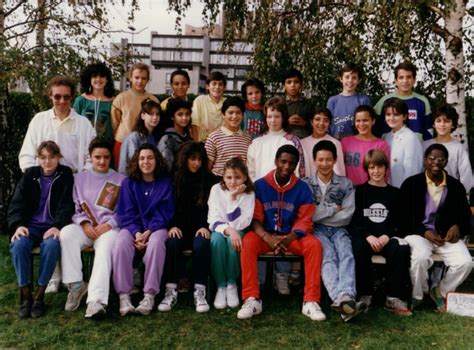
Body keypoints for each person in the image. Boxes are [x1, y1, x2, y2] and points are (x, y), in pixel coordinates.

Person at [238, 145, 325, 321]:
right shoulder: (260, 185)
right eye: (283, 161)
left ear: (296, 165)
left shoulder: (302, 188)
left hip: (291, 237)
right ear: (276, 161)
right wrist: (266, 237)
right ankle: (251, 298)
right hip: (266, 236)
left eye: (291, 163)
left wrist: (290, 238)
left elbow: (305, 219)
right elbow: (254, 218)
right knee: (248, 242)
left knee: (314, 245)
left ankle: (311, 301)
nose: (286, 166)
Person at [400, 144, 472, 312]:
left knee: (465, 263)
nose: (436, 162)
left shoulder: (455, 186)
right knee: (419, 258)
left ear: (446, 161)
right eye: (432, 158)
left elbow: (465, 216)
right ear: (425, 160)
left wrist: (457, 227)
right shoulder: (411, 184)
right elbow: (402, 217)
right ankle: (418, 295)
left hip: (445, 237)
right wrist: (423, 232)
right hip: (418, 233)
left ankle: (442, 291)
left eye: (441, 159)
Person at [246, 96, 306, 294]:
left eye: (277, 116)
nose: (273, 120)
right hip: (262, 197)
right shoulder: (257, 142)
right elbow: (251, 172)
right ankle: (261, 279)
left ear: (284, 117)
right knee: (262, 232)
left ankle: (281, 276)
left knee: (283, 231)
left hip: (286, 196)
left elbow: (300, 171)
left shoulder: (291, 140)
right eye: (270, 116)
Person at [60, 138, 125, 318]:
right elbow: (74, 207)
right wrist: (84, 223)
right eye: (97, 157)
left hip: (109, 229)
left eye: (106, 157)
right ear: (90, 157)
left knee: (104, 249)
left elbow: (125, 211)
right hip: (85, 227)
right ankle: (76, 285)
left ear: (111, 157)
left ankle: (95, 301)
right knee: (66, 234)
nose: (102, 161)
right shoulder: (79, 179)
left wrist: (109, 225)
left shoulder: (121, 180)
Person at [8, 141, 74, 318]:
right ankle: (26, 295)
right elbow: (16, 204)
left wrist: (57, 226)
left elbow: (67, 205)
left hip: (51, 227)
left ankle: (39, 296)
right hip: (31, 226)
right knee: (19, 245)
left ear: (58, 158)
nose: (47, 161)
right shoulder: (30, 174)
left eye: (52, 157)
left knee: (52, 246)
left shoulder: (65, 174)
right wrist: (18, 225)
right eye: (43, 157)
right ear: (38, 158)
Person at [302, 141, 364, 322]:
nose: (324, 163)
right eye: (320, 159)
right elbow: (308, 216)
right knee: (328, 256)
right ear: (314, 161)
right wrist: (331, 209)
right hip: (316, 231)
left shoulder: (345, 184)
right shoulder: (306, 184)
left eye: (329, 159)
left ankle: (343, 298)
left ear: (335, 160)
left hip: (339, 229)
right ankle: (344, 299)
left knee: (346, 254)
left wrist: (319, 210)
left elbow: (347, 215)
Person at [112, 144, 173, 316]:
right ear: (136, 162)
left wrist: (149, 231)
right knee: (121, 243)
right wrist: (136, 232)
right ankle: (124, 296)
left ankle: (149, 295)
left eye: (150, 158)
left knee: (156, 243)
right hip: (132, 228)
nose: (146, 162)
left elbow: (165, 211)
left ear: (157, 160)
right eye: (142, 158)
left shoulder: (165, 183)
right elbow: (125, 212)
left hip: (156, 228)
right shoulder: (129, 183)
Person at [350, 149, 412, 316]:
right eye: (371, 167)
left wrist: (387, 236)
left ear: (386, 168)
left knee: (401, 248)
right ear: (366, 169)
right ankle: (365, 295)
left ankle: (393, 297)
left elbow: (399, 221)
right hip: (366, 237)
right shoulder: (359, 191)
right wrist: (368, 236)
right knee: (358, 247)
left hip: (387, 237)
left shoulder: (395, 193)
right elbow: (354, 220)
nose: (376, 171)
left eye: (379, 167)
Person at [158, 142, 213, 313]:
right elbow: (167, 206)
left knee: (201, 244)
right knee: (172, 243)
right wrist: (171, 225)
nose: (197, 163)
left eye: (200, 160)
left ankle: (200, 290)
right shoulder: (173, 179)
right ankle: (170, 290)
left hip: (199, 228)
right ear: (184, 159)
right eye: (193, 159)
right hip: (178, 227)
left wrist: (205, 226)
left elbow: (212, 206)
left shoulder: (209, 179)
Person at [19, 75, 96, 173]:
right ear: (50, 96)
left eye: (66, 97)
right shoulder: (39, 120)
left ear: (71, 97)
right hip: (43, 181)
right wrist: (33, 177)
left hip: (74, 181)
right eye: (57, 96)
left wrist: (83, 178)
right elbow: (27, 153)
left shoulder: (84, 124)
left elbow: (92, 156)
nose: (62, 101)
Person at [208, 157, 255, 310]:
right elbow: (213, 219)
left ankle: (231, 283)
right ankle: (221, 286)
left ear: (245, 177)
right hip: (220, 229)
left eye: (237, 177)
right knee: (217, 241)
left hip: (239, 229)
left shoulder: (249, 194)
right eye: (229, 177)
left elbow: (241, 223)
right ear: (223, 177)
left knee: (233, 242)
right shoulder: (216, 190)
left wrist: (233, 198)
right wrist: (229, 230)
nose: (233, 182)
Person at [111, 63, 159, 168]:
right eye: (136, 77)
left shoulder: (153, 100)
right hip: (122, 143)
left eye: (143, 78)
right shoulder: (121, 98)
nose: (139, 81)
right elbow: (115, 123)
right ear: (130, 78)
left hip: (146, 146)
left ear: (148, 80)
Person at [374, 61, 432, 140]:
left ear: (414, 80)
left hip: (416, 149)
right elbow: (374, 127)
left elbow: (428, 130)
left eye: (408, 77)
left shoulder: (422, 101)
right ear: (396, 81)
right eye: (401, 77)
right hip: (389, 149)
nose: (405, 81)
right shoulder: (384, 101)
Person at [422, 104, 473, 194]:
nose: (442, 124)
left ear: (453, 124)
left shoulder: (458, 148)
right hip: (426, 195)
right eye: (438, 121)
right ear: (433, 124)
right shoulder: (424, 145)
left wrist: (457, 196)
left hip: (450, 195)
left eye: (447, 121)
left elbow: (466, 177)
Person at [341, 105, 390, 186]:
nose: (361, 124)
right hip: (348, 192)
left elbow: (385, 173)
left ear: (373, 121)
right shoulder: (345, 142)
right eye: (358, 121)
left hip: (370, 192)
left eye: (365, 120)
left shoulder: (381, 145)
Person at [204, 97, 252, 179]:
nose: (234, 116)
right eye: (230, 112)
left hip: (240, 182)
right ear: (223, 115)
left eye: (238, 113)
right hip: (218, 181)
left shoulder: (248, 138)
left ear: (243, 115)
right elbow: (207, 167)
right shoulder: (214, 137)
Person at [381, 98, 423, 188]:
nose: (391, 118)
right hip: (389, 190)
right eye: (388, 114)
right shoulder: (387, 137)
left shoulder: (410, 138)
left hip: (404, 192)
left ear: (404, 116)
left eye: (396, 114)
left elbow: (412, 172)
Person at [326, 63, 371, 140]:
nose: (350, 80)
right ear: (341, 78)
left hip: (357, 145)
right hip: (336, 144)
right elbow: (327, 125)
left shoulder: (363, 100)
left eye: (354, 78)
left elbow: (369, 125)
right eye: (347, 77)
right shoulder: (332, 101)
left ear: (358, 80)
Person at [74, 62, 115, 143]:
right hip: (83, 144)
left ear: (107, 79)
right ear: (89, 79)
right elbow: (74, 123)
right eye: (94, 76)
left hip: (106, 146)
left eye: (102, 76)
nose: (98, 79)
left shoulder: (114, 102)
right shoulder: (81, 100)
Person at [118, 99, 162, 174]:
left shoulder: (155, 137)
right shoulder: (133, 137)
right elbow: (133, 163)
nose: (155, 117)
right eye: (151, 114)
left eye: (157, 114)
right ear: (143, 115)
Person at [301, 107, 345, 177]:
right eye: (317, 119)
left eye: (326, 120)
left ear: (329, 123)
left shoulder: (335, 143)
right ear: (311, 122)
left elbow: (340, 172)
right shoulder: (302, 143)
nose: (321, 123)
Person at [157, 98, 193, 171]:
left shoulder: (187, 137)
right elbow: (166, 168)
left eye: (187, 114)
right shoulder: (167, 139)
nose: (184, 118)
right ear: (172, 117)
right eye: (180, 114)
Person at [191, 71, 227, 142]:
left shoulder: (227, 102)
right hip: (203, 143)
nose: (217, 87)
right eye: (214, 84)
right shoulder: (200, 100)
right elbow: (194, 125)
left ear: (224, 88)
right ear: (207, 86)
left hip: (222, 144)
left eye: (220, 84)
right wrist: (196, 145)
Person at [282, 68, 313, 138]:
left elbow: (315, 123)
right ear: (284, 86)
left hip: (304, 140)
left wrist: (304, 123)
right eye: (289, 82)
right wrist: (287, 122)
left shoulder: (308, 104)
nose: (293, 85)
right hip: (284, 141)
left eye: (296, 82)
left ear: (301, 85)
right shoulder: (280, 104)